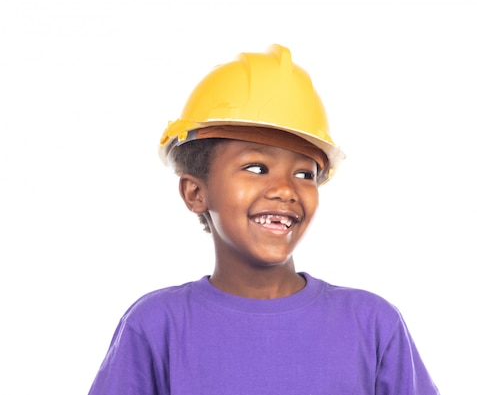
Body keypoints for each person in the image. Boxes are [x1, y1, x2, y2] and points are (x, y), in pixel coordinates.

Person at [87, 44, 440, 395]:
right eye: (256, 168)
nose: (286, 190)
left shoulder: (374, 325)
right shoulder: (155, 326)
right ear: (196, 193)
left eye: (305, 174)